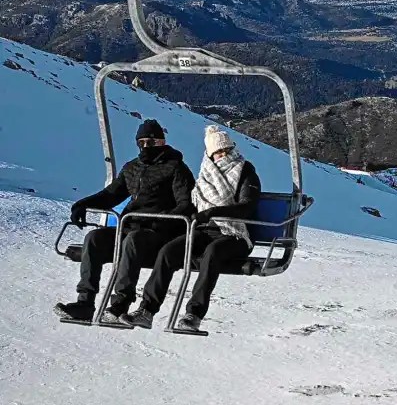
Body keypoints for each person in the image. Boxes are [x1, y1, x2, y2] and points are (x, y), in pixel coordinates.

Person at [121, 126, 261, 332]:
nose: (222, 156)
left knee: (212, 253)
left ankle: (193, 314)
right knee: (169, 251)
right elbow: (192, 203)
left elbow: (246, 207)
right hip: (204, 231)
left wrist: (213, 213)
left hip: (234, 234)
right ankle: (147, 310)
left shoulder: (245, 172)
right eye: (217, 153)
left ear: (232, 150)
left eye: (226, 151)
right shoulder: (206, 176)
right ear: (210, 155)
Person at [54, 120, 195, 321]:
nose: (146, 147)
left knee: (134, 240)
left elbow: (185, 203)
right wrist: (82, 204)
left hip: (158, 232)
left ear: (162, 142)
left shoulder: (176, 168)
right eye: (142, 143)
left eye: (152, 143)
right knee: (95, 237)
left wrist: (161, 220)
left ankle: (120, 303)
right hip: (130, 227)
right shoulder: (133, 168)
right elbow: (111, 194)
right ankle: (85, 302)